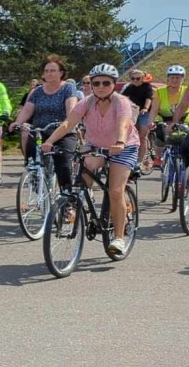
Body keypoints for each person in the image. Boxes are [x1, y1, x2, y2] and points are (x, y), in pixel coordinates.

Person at [41, 64, 138, 256]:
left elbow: (123, 123)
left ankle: (119, 238)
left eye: (106, 83)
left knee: (115, 191)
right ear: (91, 85)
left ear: (114, 84)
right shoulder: (86, 102)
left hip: (124, 146)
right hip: (95, 146)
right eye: (96, 83)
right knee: (84, 173)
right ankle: (79, 204)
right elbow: (69, 123)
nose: (101, 86)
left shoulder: (121, 102)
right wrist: (50, 141)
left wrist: (119, 141)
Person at [10, 54, 79, 192]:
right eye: (46, 71)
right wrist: (18, 122)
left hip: (62, 132)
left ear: (61, 73)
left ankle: (67, 199)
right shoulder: (37, 91)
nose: (49, 74)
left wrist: (67, 122)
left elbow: (71, 110)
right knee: (31, 154)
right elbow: (28, 109)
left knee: (63, 164)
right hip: (40, 132)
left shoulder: (68, 88)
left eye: (53, 70)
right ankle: (36, 181)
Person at [120, 68, 155, 172]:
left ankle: (139, 161)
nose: (135, 80)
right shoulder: (130, 87)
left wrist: (145, 108)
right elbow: (123, 98)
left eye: (138, 78)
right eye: (133, 78)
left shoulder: (147, 86)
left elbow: (149, 98)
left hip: (145, 113)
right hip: (133, 112)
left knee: (142, 137)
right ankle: (130, 158)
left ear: (143, 78)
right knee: (131, 136)